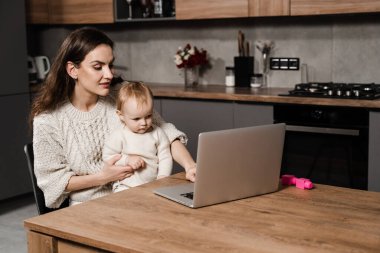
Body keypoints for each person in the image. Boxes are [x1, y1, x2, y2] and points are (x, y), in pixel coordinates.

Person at [30, 27, 196, 208]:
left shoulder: (121, 94)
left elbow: (165, 132)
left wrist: (190, 166)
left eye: (110, 65)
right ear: (73, 70)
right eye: (98, 67)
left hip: (141, 197)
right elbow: (53, 182)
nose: (109, 74)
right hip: (88, 208)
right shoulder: (48, 119)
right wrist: (104, 177)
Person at [103, 81, 172, 192]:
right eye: (136, 119)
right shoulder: (119, 135)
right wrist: (127, 160)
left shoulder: (158, 133)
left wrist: (163, 176)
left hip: (152, 184)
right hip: (125, 185)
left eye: (148, 116)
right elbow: (108, 157)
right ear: (121, 116)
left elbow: (165, 157)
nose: (144, 123)